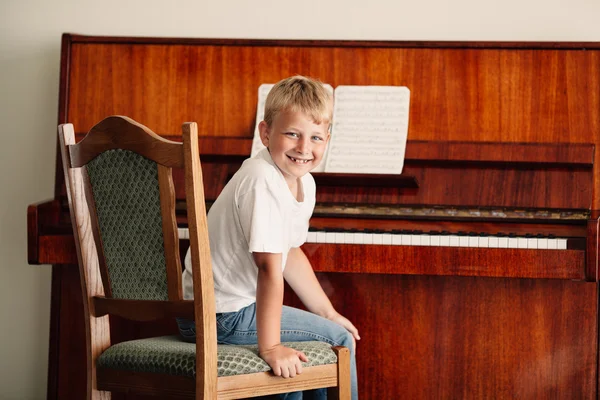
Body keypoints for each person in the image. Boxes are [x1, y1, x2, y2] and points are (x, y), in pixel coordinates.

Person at [178, 75, 359, 399]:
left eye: (316, 137)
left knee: (328, 333)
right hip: (218, 315)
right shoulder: (261, 178)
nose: (304, 148)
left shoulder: (303, 181)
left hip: (229, 310)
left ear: (327, 138)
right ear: (265, 133)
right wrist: (271, 346)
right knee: (338, 341)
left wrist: (327, 312)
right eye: (292, 134)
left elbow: (289, 253)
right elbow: (269, 269)